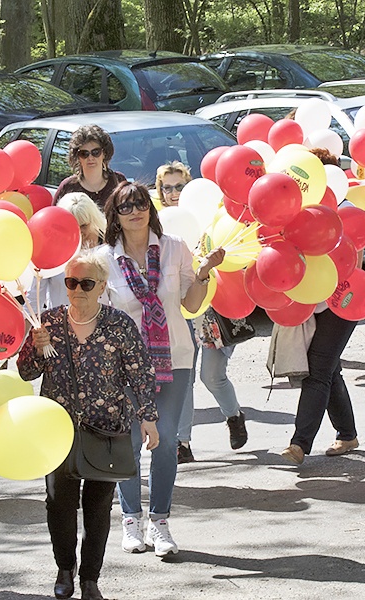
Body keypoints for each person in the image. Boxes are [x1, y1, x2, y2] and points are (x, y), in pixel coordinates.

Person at [18, 250, 158, 600]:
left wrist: (148, 417)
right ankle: (65, 569)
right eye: (70, 282)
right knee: (58, 503)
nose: (77, 290)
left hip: (105, 428)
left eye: (85, 283)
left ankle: (90, 579)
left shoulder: (118, 323)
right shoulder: (47, 323)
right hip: (58, 431)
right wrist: (36, 348)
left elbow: (140, 372)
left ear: (101, 287)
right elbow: (25, 372)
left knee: (98, 507)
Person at [100, 181, 224, 557]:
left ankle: (160, 522)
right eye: (126, 207)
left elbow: (190, 305)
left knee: (167, 439)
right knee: (131, 443)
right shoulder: (103, 259)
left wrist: (203, 273)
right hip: (123, 364)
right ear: (115, 217)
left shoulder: (173, 248)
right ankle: (131, 520)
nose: (135, 210)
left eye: (141, 203)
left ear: (150, 209)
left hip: (175, 355)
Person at [155, 161, 248, 463]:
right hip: (180, 309)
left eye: (178, 186)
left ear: (189, 187)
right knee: (183, 378)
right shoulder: (159, 227)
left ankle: (233, 416)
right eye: (166, 187)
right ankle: (183, 442)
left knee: (212, 376)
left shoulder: (210, 218)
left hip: (216, 312)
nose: (172, 193)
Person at [280, 148, 362, 465]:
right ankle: (347, 434)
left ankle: (299, 443)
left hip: (343, 298)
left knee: (318, 369)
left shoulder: (346, 210)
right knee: (330, 369)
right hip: (312, 300)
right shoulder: (294, 212)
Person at [30, 192, 107, 311]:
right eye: (74, 225)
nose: (80, 232)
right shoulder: (49, 252)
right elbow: (34, 300)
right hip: (60, 324)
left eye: (84, 226)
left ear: (93, 220)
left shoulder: (108, 249)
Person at [54, 125, 126, 210]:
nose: (90, 158)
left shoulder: (118, 181)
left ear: (104, 153)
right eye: (84, 153)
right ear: (77, 157)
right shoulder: (67, 187)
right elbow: (54, 218)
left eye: (96, 152)